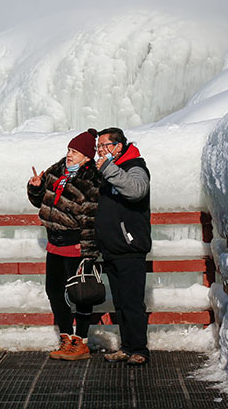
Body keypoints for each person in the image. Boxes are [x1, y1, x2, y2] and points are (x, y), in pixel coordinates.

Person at [27, 128, 101, 361]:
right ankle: (66, 337)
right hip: (54, 242)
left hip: (75, 244)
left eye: (75, 152)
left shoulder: (91, 181)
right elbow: (40, 202)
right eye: (69, 149)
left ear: (87, 157)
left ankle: (81, 341)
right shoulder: (57, 170)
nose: (69, 154)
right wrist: (36, 187)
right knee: (54, 291)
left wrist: (88, 254)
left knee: (81, 293)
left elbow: (91, 220)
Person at [94, 127, 151, 365]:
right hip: (112, 248)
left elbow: (137, 190)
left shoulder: (134, 166)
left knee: (132, 302)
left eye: (103, 145)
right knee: (120, 302)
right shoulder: (110, 170)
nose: (100, 151)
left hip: (130, 247)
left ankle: (140, 349)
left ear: (118, 146)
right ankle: (127, 347)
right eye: (98, 147)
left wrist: (108, 168)